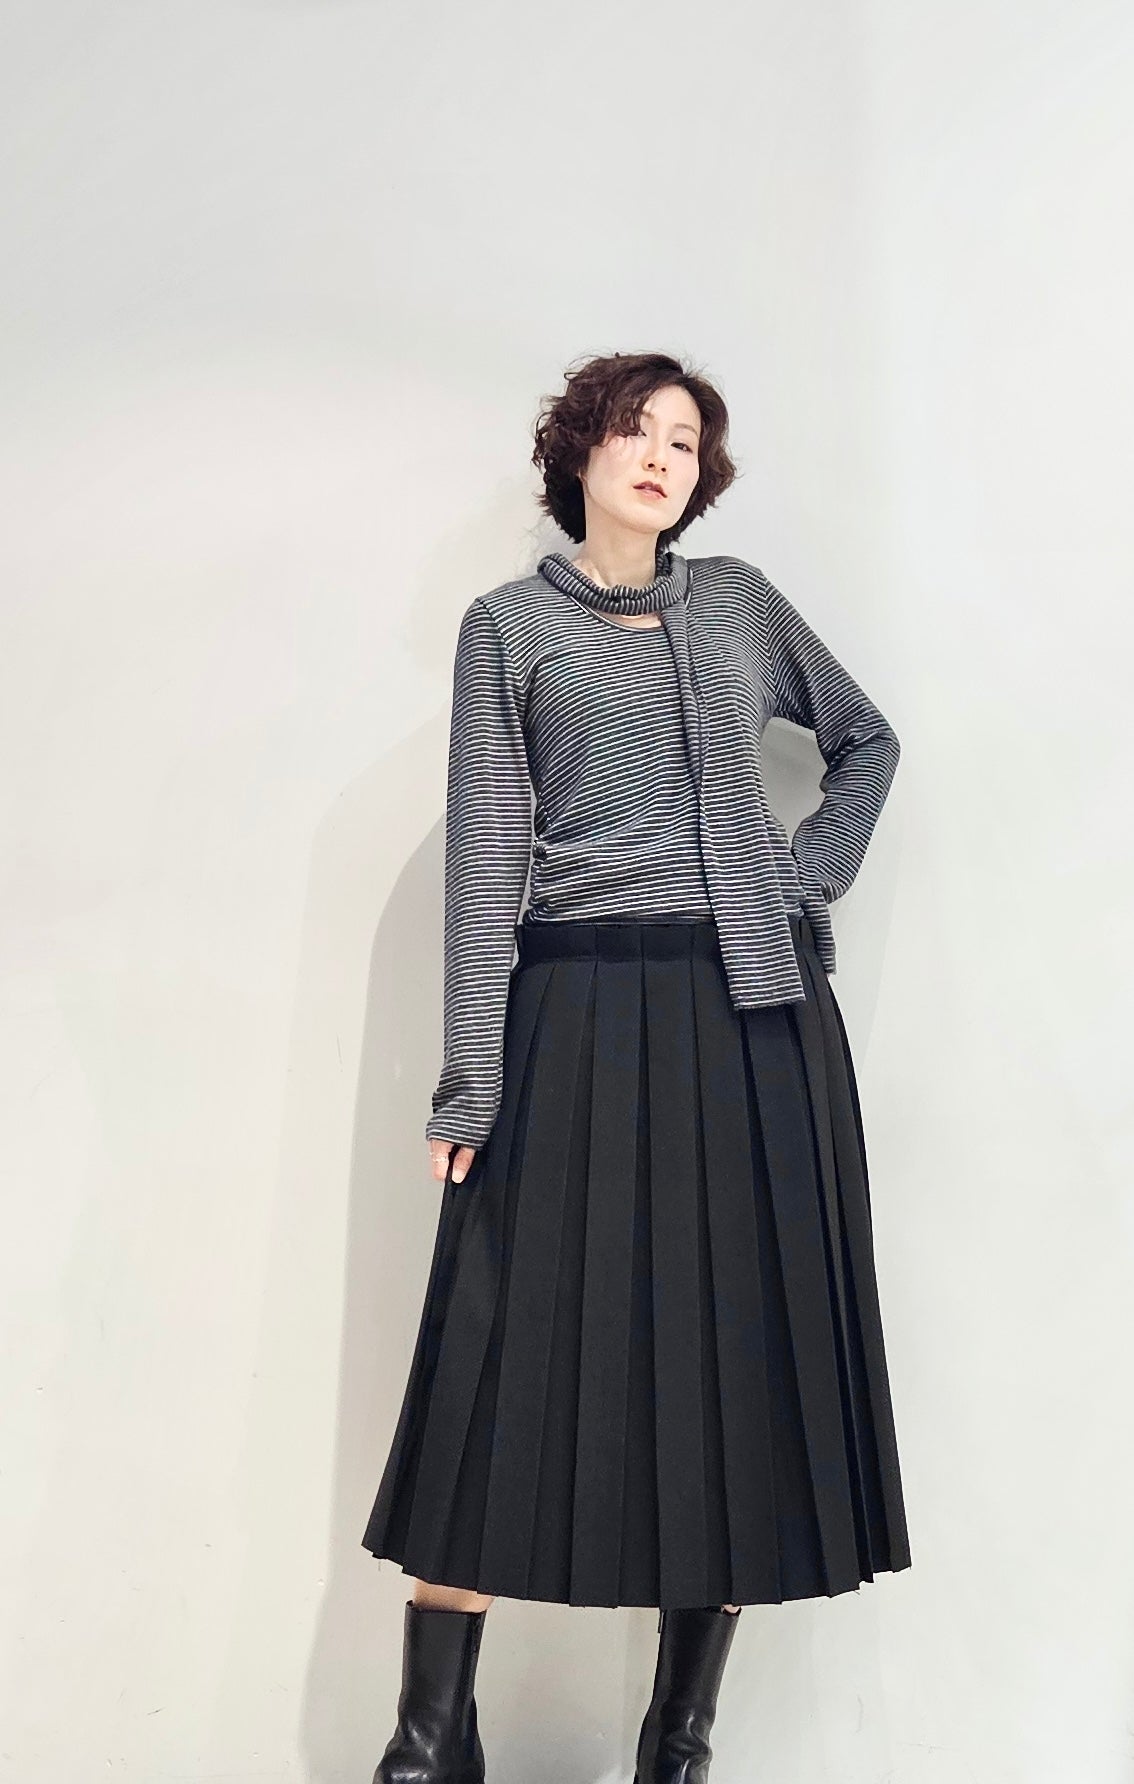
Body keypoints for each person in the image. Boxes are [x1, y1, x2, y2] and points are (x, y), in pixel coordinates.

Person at [361, 350, 912, 1781]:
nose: (661, 455)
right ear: (581, 455)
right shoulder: (509, 628)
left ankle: (681, 1739)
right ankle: (429, 1739)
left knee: (733, 1351)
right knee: (499, 1347)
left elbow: (865, 744)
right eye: (635, 429)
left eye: (684, 438)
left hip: (752, 1021)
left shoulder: (738, 605)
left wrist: (801, 883)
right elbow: (489, 857)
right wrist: (470, 1079)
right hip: (579, 1008)